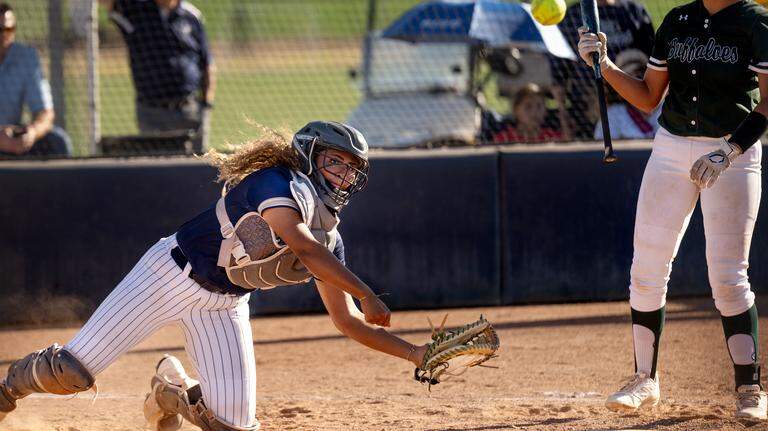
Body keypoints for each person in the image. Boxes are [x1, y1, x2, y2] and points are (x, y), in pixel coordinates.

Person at [0, 121, 430, 430]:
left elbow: (347, 320)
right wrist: (367, 291)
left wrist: (416, 354)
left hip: (225, 304)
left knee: (233, 427)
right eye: (336, 161)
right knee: (72, 372)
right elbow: (302, 248)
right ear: (309, 156)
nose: (345, 174)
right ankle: (6, 392)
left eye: (352, 168)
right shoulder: (276, 182)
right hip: (169, 275)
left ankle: (169, 391)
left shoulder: (330, 240)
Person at [578, 0, 768, 419]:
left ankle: (749, 389)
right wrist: (604, 64)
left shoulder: (756, 22)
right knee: (646, 267)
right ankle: (645, 379)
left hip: (732, 153)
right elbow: (648, 98)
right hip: (670, 150)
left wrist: (731, 148)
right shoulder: (677, 19)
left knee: (728, 277)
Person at [100, 0, 215, 153]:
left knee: (193, 167)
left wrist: (206, 105)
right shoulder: (135, 10)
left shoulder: (191, 16)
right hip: (151, 111)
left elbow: (207, 64)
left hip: (189, 110)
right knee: (155, 165)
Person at [552, 0, 655, 139]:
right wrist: (563, 116)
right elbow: (559, 73)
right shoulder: (573, 16)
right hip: (586, 110)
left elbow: (654, 62)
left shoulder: (634, 12)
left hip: (633, 104)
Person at [0, 3, 72, 157]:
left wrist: (31, 132)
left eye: (9, 29)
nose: (4, 36)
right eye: (0, 30)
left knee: (57, 141)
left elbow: (45, 112)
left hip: (12, 138)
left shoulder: (26, 57)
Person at [594, 50, 661, 140]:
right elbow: (600, 146)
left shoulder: (665, 106)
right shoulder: (614, 114)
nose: (635, 82)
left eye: (640, 74)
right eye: (629, 77)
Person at [491, 83, 571, 144]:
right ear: (516, 110)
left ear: (545, 111)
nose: (534, 112)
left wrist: (561, 105)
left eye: (539, 106)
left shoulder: (549, 137)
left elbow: (568, 143)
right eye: (528, 107)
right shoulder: (505, 138)